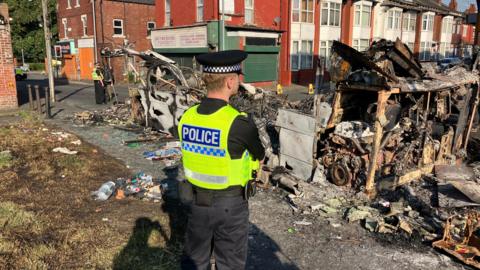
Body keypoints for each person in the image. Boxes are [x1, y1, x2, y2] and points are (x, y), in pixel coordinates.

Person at [178, 50, 265, 270]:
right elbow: (259, 157)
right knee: (229, 264)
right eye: (237, 77)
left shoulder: (187, 117)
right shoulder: (238, 123)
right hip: (230, 206)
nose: (239, 82)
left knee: (195, 261)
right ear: (229, 81)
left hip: (197, 202)